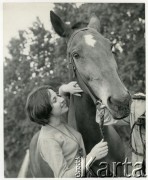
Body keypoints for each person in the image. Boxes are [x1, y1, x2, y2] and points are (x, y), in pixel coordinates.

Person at [26, 81, 108, 178]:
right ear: (46, 109)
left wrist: (66, 88)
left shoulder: (58, 119)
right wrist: (92, 156)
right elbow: (63, 176)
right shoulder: (48, 140)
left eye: (57, 96)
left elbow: (62, 92)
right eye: (55, 100)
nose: (61, 100)